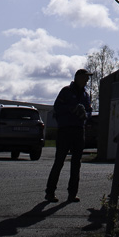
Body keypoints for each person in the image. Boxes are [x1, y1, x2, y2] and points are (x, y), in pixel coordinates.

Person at [45, 68, 91, 203]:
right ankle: (50, 192)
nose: (87, 80)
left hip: (79, 130)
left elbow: (89, 110)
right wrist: (72, 109)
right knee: (59, 162)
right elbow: (57, 107)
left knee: (76, 163)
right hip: (65, 130)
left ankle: (72, 194)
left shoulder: (85, 95)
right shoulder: (66, 91)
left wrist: (85, 114)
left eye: (87, 78)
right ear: (78, 77)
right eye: (85, 77)